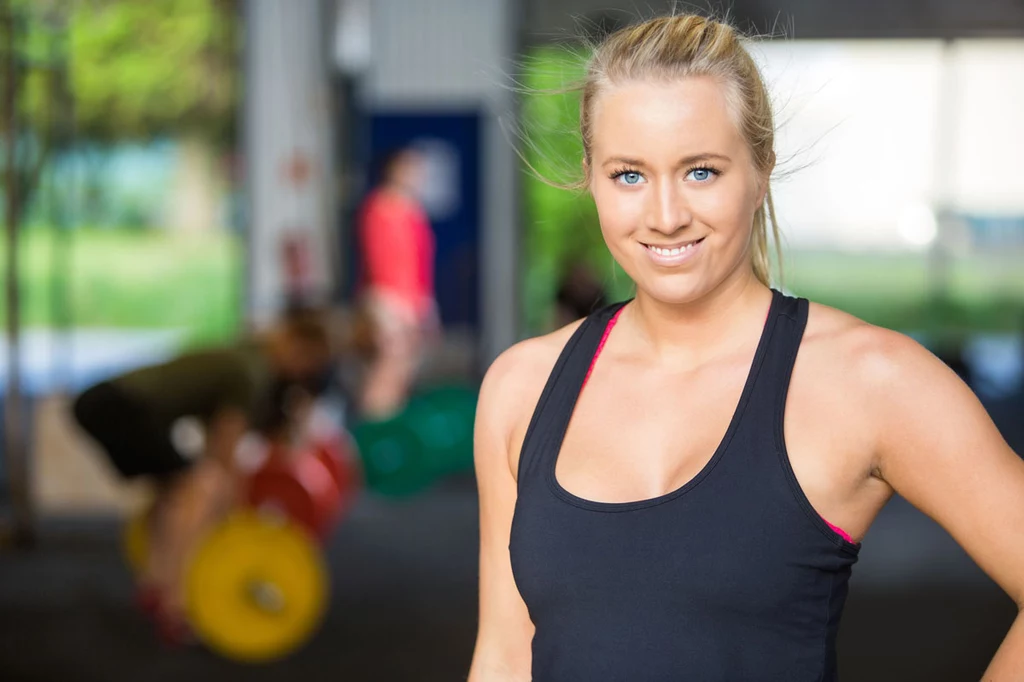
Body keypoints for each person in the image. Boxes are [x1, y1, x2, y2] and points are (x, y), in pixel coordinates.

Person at [469, 14, 1024, 682]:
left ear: (761, 170)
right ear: (589, 175)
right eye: (628, 175)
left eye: (701, 172)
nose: (666, 214)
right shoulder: (522, 388)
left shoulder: (870, 381)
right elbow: (503, 655)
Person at [72, 309, 335, 642]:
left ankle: (154, 583)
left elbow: (215, 442)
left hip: (106, 404)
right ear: (293, 342)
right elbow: (224, 451)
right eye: (306, 361)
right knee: (198, 488)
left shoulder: (245, 355)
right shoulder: (252, 372)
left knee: (182, 487)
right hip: (119, 408)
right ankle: (172, 603)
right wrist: (235, 508)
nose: (302, 371)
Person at [355, 146, 439, 419]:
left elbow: (421, 262)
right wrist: (392, 304)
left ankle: (391, 422)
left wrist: (424, 302)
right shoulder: (378, 208)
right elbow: (377, 258)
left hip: (412, 301)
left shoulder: (414, 212)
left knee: (405, 369)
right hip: (387, 300)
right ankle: (374, 425)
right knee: (388, 365)